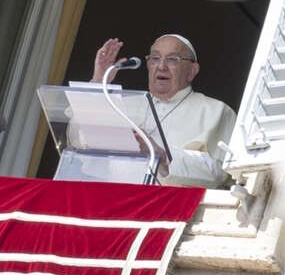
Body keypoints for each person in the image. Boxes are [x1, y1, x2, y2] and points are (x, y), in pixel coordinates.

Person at [92, 34, 236, 188]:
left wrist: (163, 157)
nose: (161, 66)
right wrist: (99, 82)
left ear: (192, 71)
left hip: (176, 208)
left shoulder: (217, 111)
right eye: (155, 58)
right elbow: (78, 140)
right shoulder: (122, 106)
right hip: (115, 201)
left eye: (173, 59)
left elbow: (222, 172)